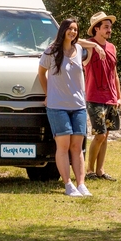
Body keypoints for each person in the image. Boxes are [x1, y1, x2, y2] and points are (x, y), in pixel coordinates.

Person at [37, 18, 105, 197]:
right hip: (57, 106)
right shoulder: (51, 51)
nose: (73, 32)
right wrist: (47, 93)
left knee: (77, 147)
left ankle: (81, 184)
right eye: (69, 29)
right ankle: (68, 185)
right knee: (64, 145)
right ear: (63, 30)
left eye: (75, 29)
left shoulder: (80, 49)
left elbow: (84, 42)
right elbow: (41, 73)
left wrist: (96, 47)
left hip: (78, 106)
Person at [84, 11, 121, 181]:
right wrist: (94, 46)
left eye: (110, 27)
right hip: (94, 97)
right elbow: (68, 41)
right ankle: (89, 170)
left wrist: (118, 96)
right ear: (96, 29)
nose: (109, 30)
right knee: (99, 134)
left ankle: (100, 170)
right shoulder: (87, 46)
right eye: (105, 27)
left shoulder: (112, 47)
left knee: (106, 135)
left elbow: (114, 74)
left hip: (111, 98)